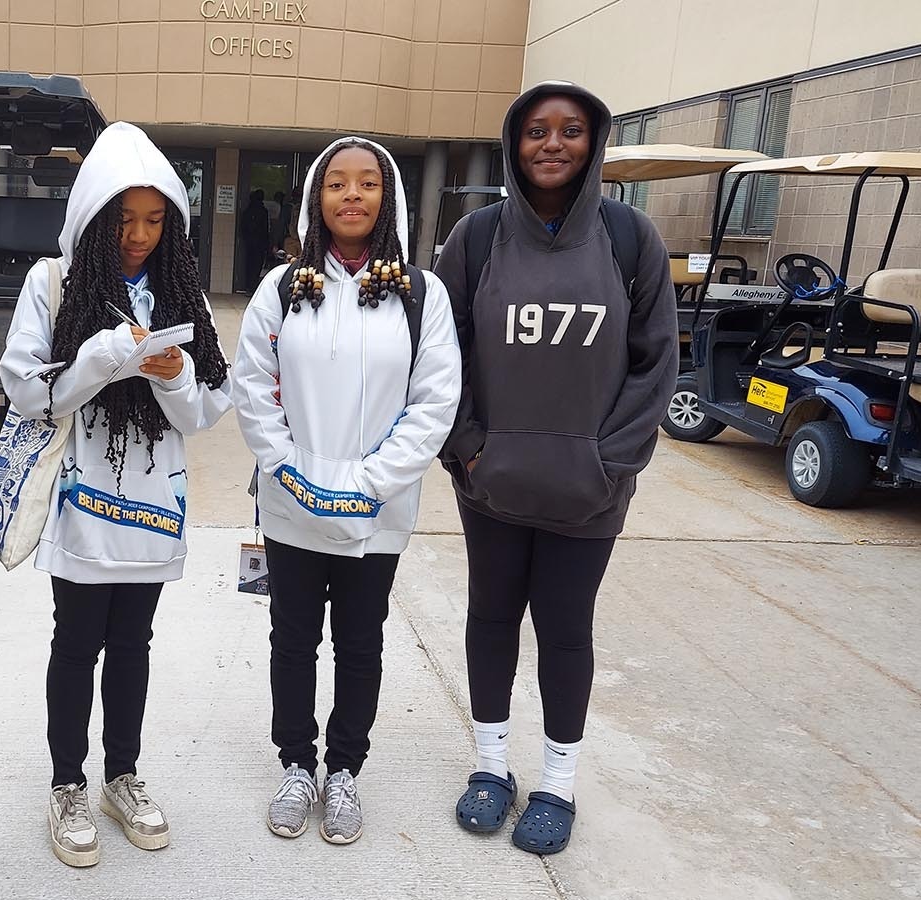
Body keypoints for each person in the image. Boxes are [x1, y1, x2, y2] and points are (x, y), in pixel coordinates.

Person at [432, 82, 677, 855]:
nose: (552, 144)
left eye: (571, 131)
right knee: (492, 622)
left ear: (594, 141)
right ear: (513, 140)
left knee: (566, 633)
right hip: (492, 484)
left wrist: (612, 461)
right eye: (537, 130)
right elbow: (445, 357)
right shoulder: (475, 238)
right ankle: (491, 770)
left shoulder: (630, 237)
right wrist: (467, 448)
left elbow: (655, 363)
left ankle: (558, 787)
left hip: (588, 493)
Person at [0, 121, 231, 868]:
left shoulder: (177, 287)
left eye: (155, 218)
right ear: (93, 218)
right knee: (76, 642)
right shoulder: (54, 282)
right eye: (124, 218)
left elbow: (200, 415)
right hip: (82, 497)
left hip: (154, 504)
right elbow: (29, 393)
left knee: (135, 643)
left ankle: (120, 776)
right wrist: (100, 358)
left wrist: (171, 377)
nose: (138, 235)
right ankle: (67, 783)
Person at [231, 137, 461, 845]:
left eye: (367, 183)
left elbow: (435, 401)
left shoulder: (422, 294)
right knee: (293, 639)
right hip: (291, 504)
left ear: (387, 196)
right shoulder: (281, 290)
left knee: (361, 643)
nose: (352, 196)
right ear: (316, 198)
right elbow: (252, 388)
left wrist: (368, 483)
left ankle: (345, 772)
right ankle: (297, 764)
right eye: (337, 184)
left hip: (378, 509)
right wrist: (294, 473)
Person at [240, 189, 270, 291]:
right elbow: (265, 229)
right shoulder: (263, 211)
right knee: (257, 265)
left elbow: (242, 227)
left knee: (249, 264)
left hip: (249, 243)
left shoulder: (247, 211)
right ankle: (253, 287)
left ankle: (248, 286)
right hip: (260, 244)